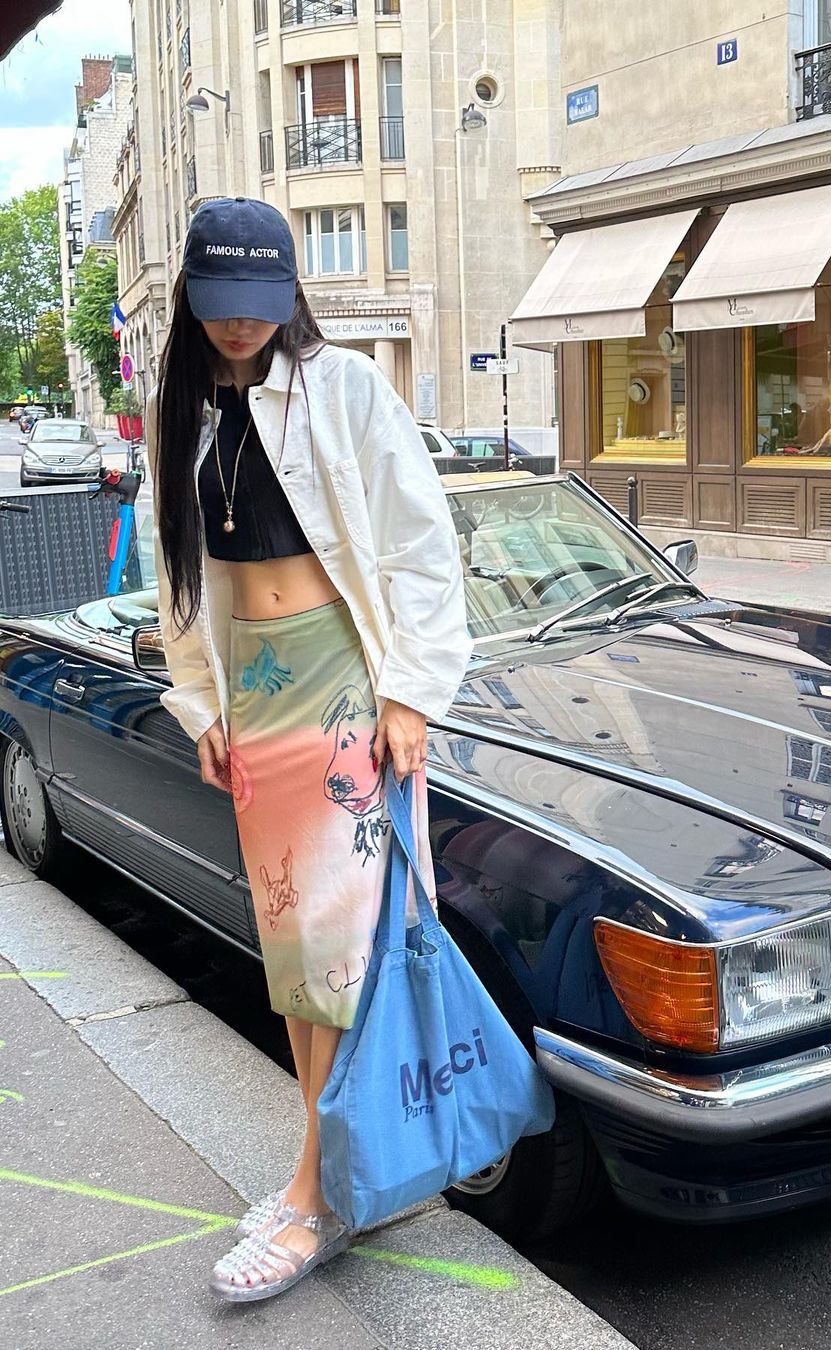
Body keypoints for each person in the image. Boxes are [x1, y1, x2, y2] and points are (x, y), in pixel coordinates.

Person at [147, 197, 472, 1301]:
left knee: (333, 953)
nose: (241, 322)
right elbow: (177, 574)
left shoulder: (344, 388)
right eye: (221, 303)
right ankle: (331, 1169)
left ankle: (314, 1194)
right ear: (192, 298)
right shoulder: (184, 413)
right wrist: (202, 705)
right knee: (292, 956)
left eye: (260, 301)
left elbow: (422, 547)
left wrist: (411, 695)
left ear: (290, 293)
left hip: (338, 689)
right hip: (254, 701)